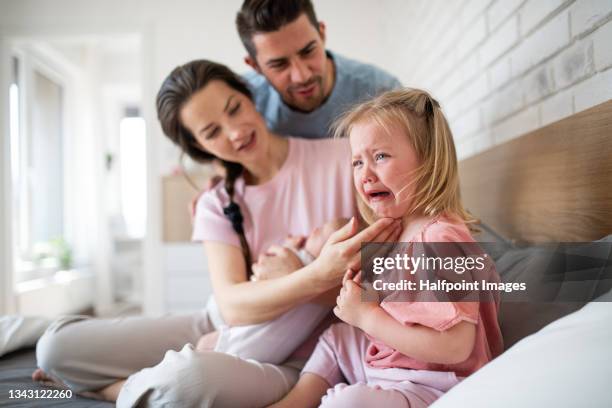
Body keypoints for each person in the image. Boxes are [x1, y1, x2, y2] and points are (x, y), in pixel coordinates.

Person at [32, 60, 401, 407]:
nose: (236, 132)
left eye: (235, 108)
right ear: (200, 148)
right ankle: (147, 378)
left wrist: (300, 277)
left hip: (301, 357)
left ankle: (115, 388)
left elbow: (411, 271)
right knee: (55, 347)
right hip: (219, 325)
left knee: (186, 381)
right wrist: (316, 275)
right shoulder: (216, 201)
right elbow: (232, 305)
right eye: (212, 132)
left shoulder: (345, 158)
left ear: (249, 96)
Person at [269, 88, 504, 408]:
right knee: (338, 339)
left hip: (434, 384)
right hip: (392, 367)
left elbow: (456, 348)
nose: (365, 174)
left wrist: (366, 316)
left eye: (380, 156)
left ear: (428, 161)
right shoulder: (397, 232)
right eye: (356, 162)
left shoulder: (442, 241)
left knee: (348, 402)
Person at [236, 0, 402, 139]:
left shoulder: (381, 91)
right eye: (279, 64)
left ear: (322, 34)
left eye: (308, 51)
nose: (302, 76)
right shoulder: (241, 103)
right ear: (255, 66)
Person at [195, 218, 349, 365]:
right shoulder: (216, 200)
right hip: (230, 314)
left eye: (320, 231)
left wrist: (300, 276)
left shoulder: (370, 231)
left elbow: (371, 295)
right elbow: (229, 304)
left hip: (316, 355)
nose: (314, 230)